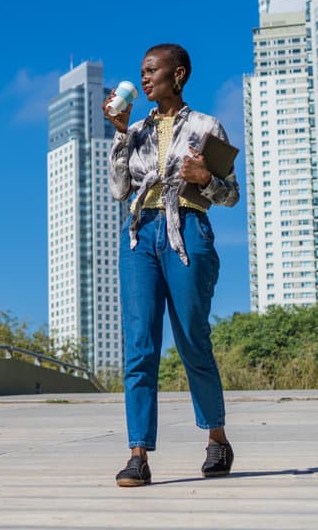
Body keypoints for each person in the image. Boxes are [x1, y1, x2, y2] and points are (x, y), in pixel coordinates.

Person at [105, 43, 239, 487]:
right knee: (140, 346)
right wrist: (121, 135)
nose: (143, 79)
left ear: (177, 74)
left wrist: (207, 178)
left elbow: (230, 194)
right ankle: (137, 455)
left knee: (192, 341)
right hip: (141, 235)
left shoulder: (206, 126)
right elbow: (120, 190)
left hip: (188, 234)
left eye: (151, 71)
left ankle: (216, 439)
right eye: (141, 72)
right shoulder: (137, 128)